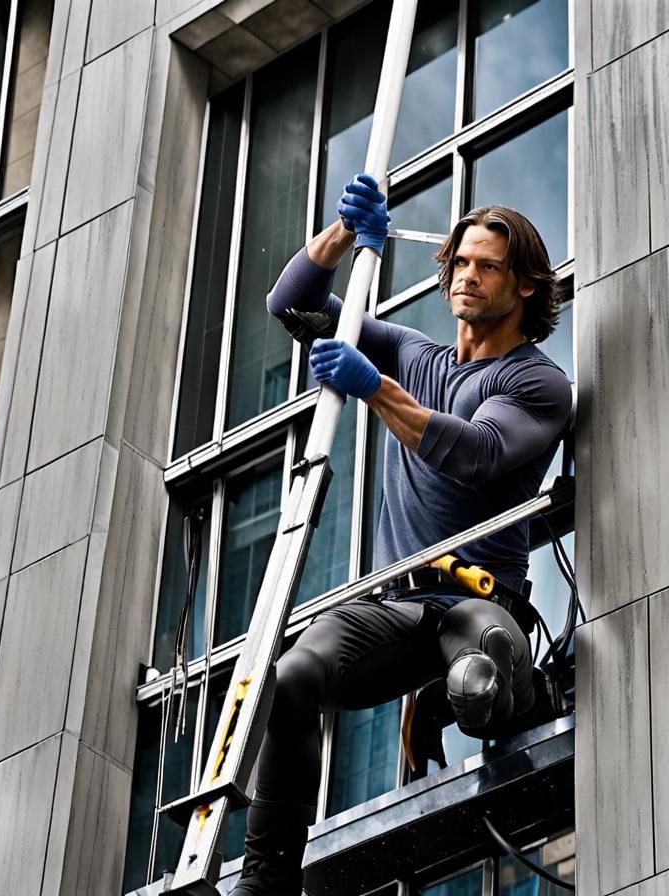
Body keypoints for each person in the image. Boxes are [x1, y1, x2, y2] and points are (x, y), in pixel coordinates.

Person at [229, 174, 573, 895]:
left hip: (478, 601)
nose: (467, 276)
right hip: (395, 607)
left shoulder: (539, 383)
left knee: (483, 670)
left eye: (487, 266)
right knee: (290, 679)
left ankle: (509, 700)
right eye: (460, 263)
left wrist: (373, 388)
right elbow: (292, 304)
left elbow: (476, 454)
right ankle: (266, 882)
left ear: (528, 288)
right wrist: (342, 236)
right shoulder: (415, 352)